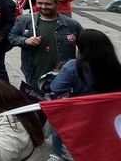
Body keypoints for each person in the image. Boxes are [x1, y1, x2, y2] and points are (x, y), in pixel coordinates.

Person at [48, 29, 121, 159]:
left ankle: (59, 155)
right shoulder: (116, 67)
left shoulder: (74, 66)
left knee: (61, 136)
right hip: (106, 116)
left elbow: (55, 88)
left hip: (78, 114)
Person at [8, 0, 82, 88]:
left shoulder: (72, 25)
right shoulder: (25, 20)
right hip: (33, 73)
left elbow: (85, 46)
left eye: (48, 4)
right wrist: (25, 41)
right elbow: (12, 36)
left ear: (57, 4)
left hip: (62, 75)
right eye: (40, 3)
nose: (43, 6)